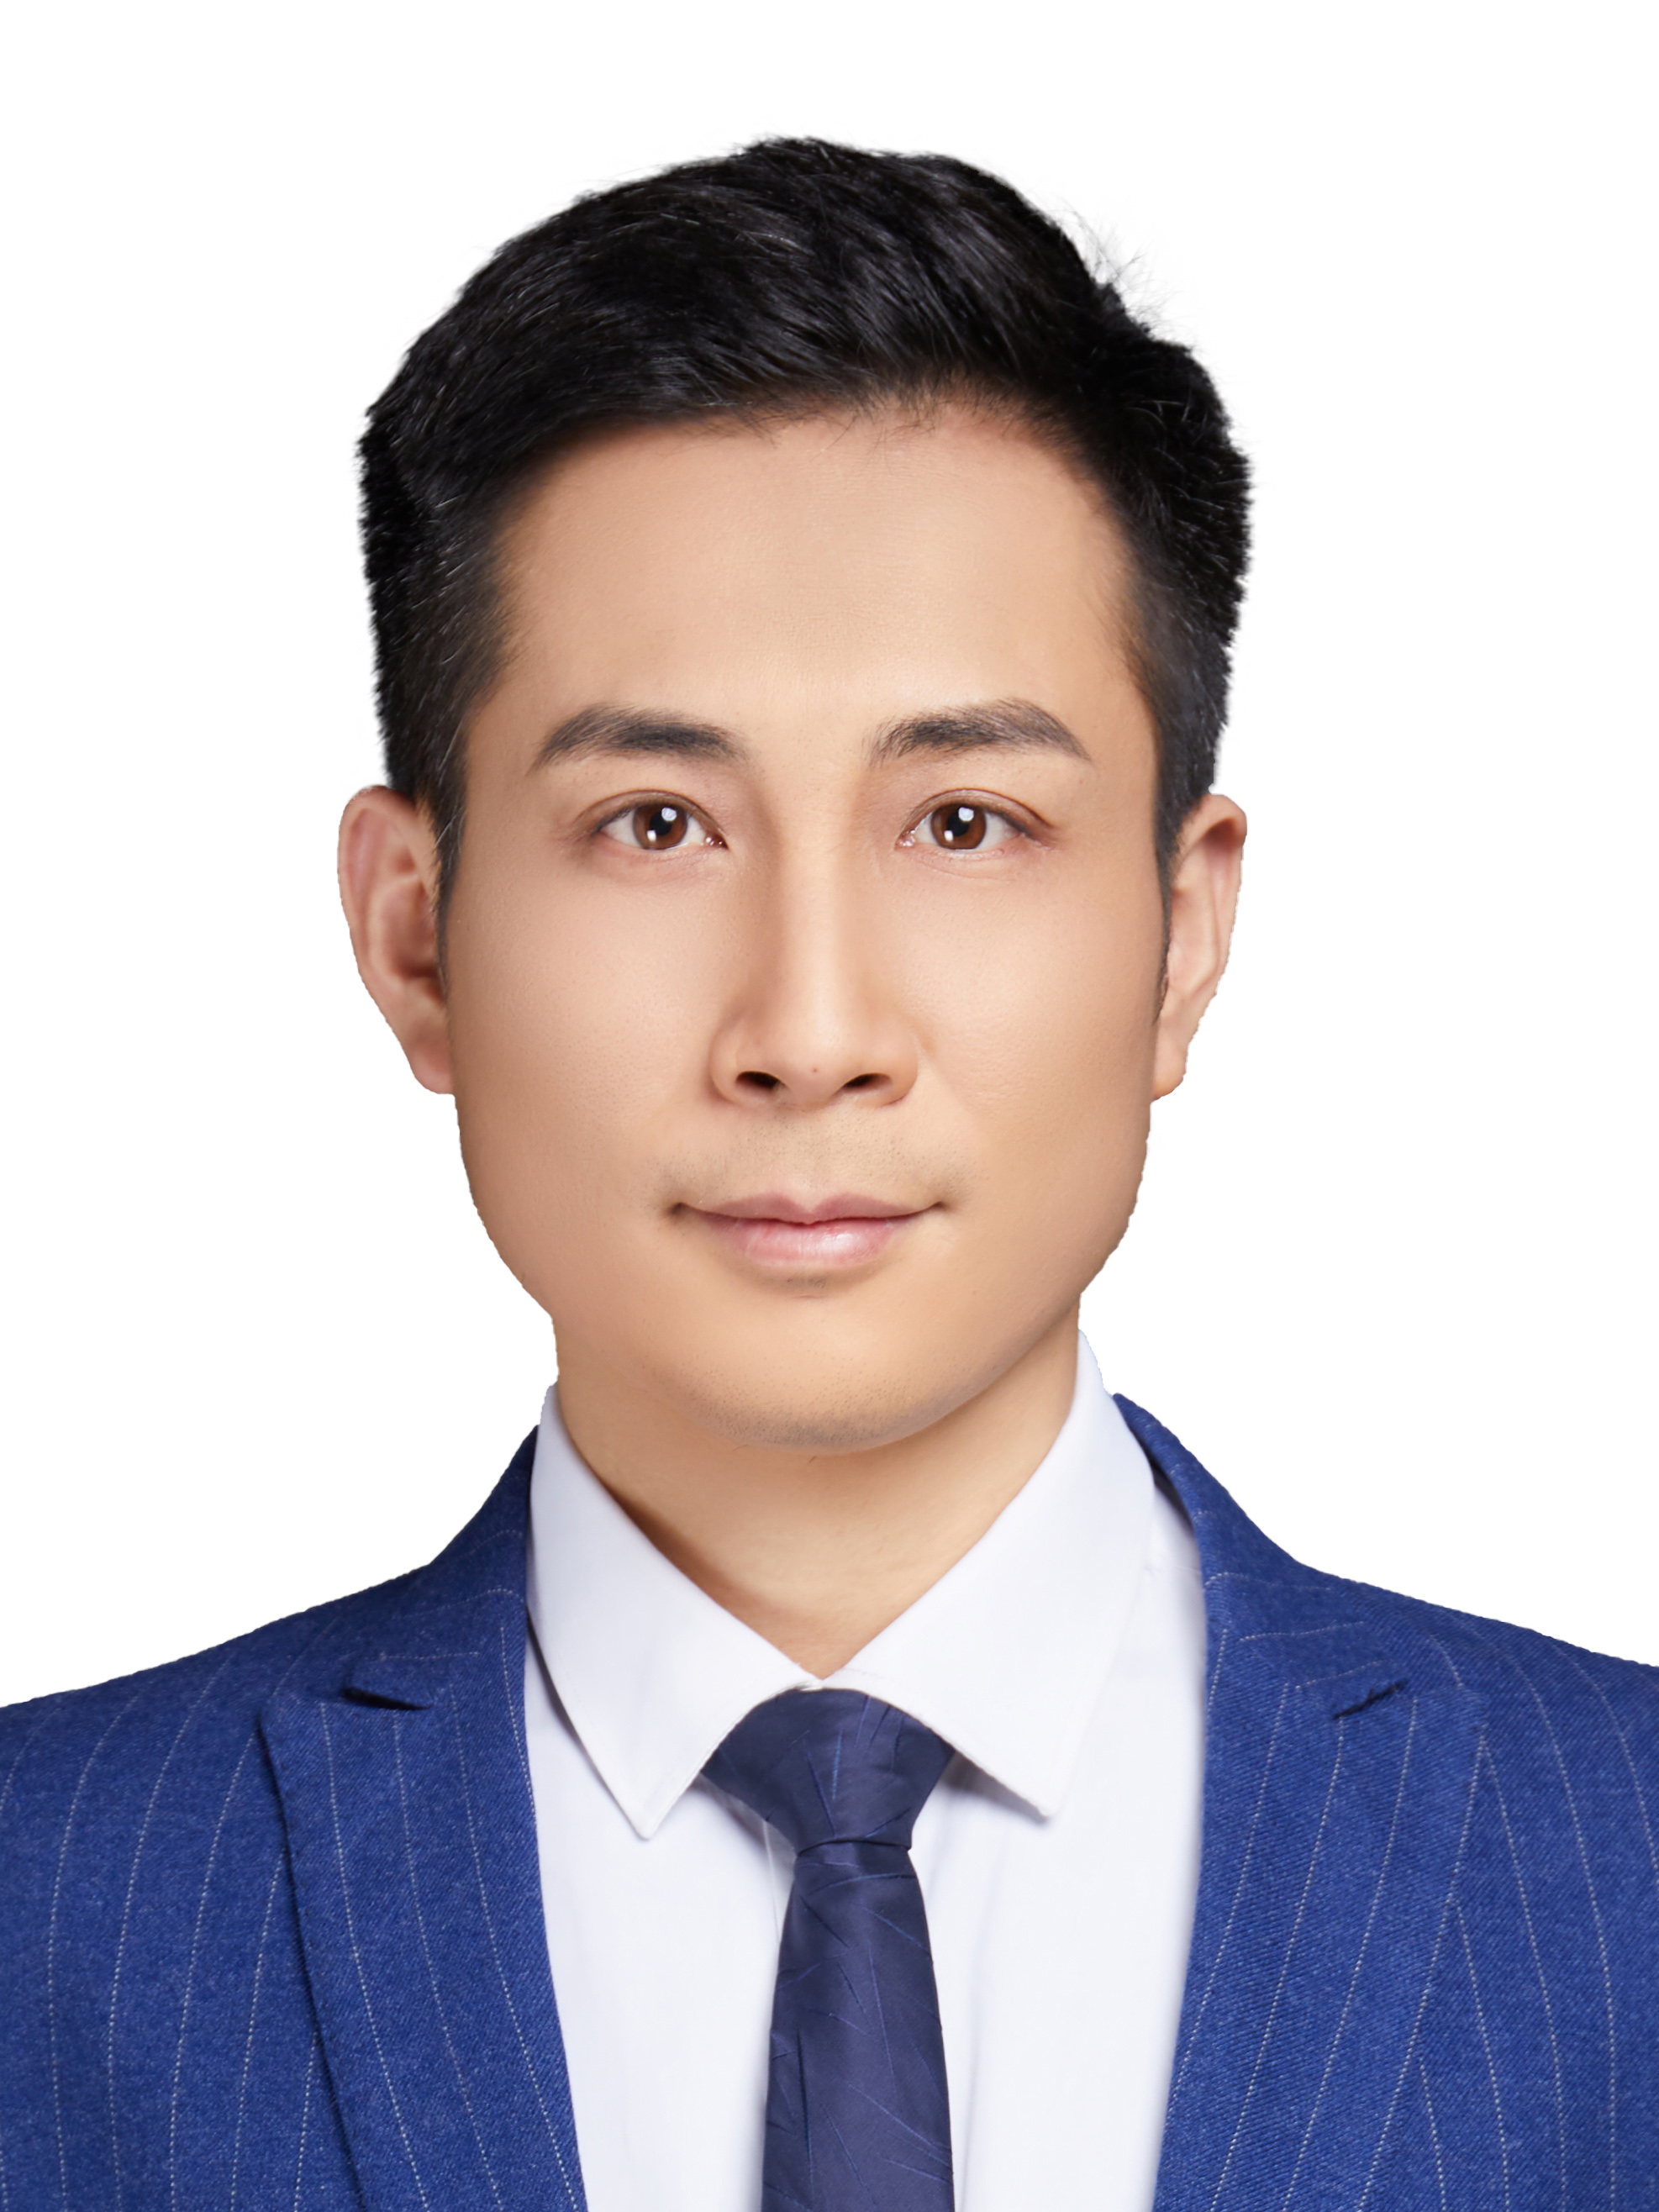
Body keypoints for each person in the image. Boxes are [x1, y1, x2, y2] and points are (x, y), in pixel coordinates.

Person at [1, 137, 1653, 2212]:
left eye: (963, 821)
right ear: (416, 934)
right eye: (654, 823)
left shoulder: (1621, 1864)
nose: (809, 1023)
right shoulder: (48, 1904)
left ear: (1184, 933)